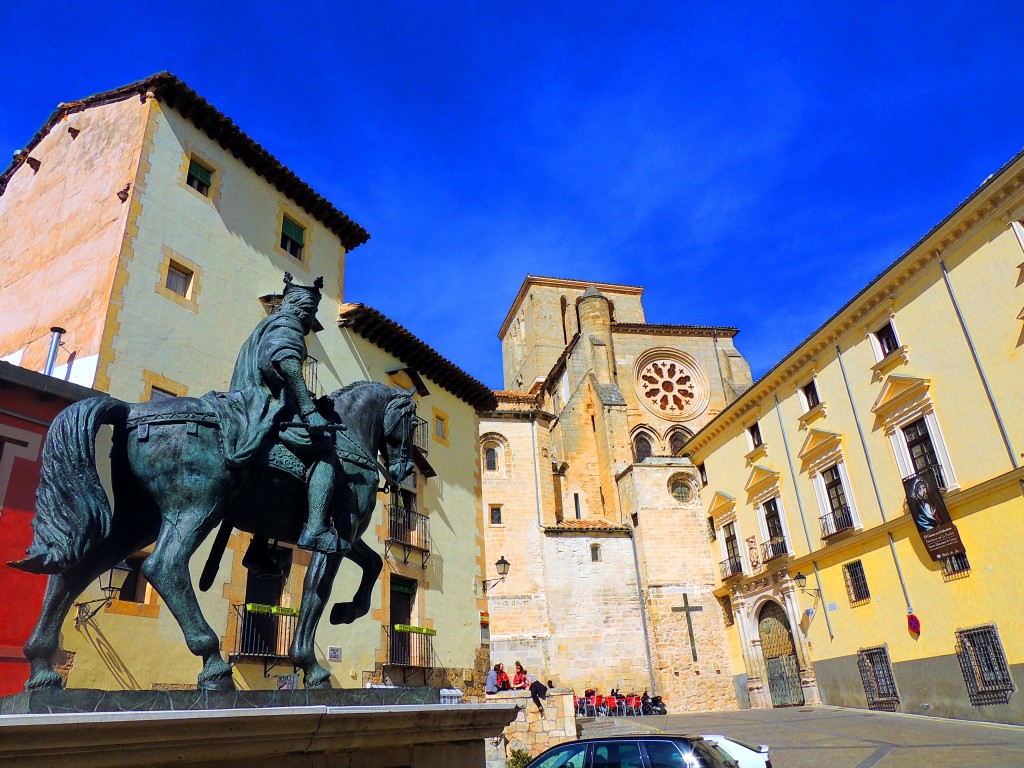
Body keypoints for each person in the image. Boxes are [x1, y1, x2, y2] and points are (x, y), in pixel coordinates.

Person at [207, 273, 341, 555]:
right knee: (325, 451)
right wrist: (308, 410)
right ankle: (316, 527)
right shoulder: (287, 324)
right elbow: (284, 361)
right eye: (311, 314)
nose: (308, 322)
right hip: (265, 407)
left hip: (250, 400)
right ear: (304, 309)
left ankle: (260, 545)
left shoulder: (263, 327)